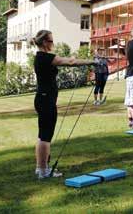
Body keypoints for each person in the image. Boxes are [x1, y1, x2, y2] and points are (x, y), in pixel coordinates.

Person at [32, 30, 95, 179]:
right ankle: (43, 170)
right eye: (51, 41)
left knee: (43, 136)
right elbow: (71, 62)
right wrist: (92, 61)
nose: (53, 44)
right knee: (46, 136)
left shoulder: (41, 57)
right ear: (45, 43)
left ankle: (40, 167)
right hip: (45, 100)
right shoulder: (45, 57)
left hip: (43, 98)